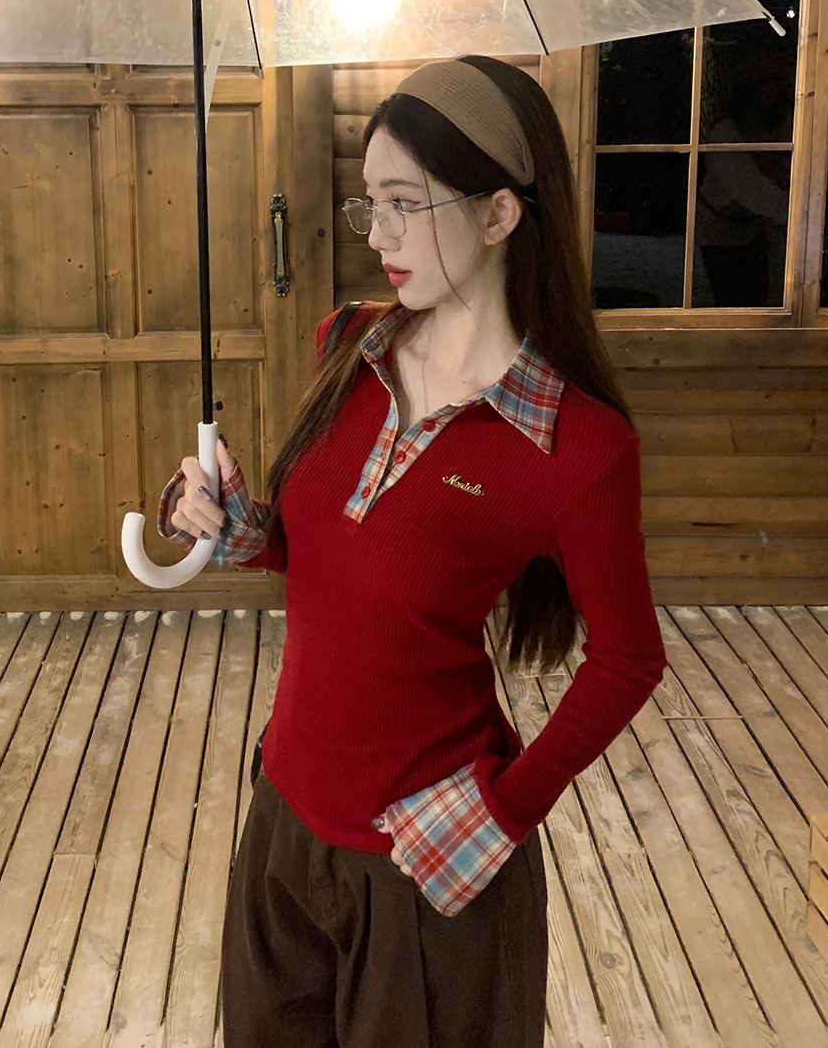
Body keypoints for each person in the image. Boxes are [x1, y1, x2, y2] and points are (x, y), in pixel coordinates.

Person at [158, 55, 668, 1048]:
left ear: (499, 213)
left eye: (404, 203)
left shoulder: (577, 446)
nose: (378, 234)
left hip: (423, 864)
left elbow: (628, 658)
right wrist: (232, 521)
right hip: (283, 818)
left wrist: (503, 811)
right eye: (371, 203)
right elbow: (321, 553)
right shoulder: (350, 344)